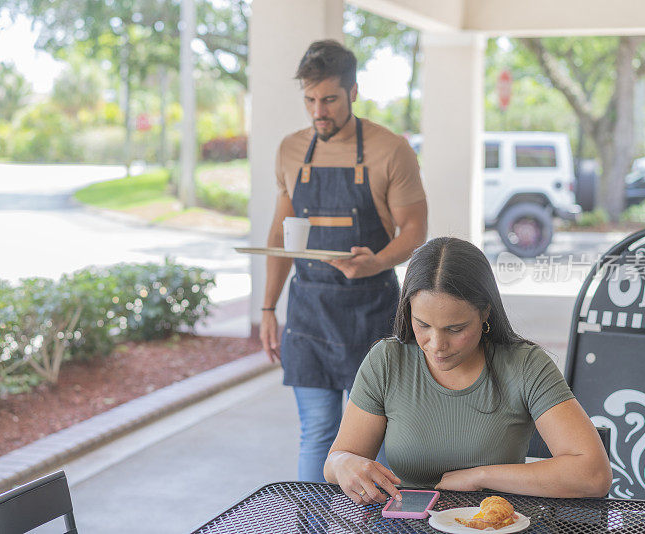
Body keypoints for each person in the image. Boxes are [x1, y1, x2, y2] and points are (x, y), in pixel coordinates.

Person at [323, 237, 612, 503]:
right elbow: (336, 461)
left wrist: (480, 476)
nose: (437, 345)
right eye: (423, 325)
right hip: (408, 522)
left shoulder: (526, 365)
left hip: (496, 523)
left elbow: (593, 475)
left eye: (455, 328)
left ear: (485, 312)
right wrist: (342, 463)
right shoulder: (386, 361)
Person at [259, 39, 428, 483]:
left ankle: (386, 526)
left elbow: (414, 231)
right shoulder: (291, 150)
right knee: (317, 433)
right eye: (311, 100)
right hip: (309, 312)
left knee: (382, 440)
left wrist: (377, 262)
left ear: (354, 92)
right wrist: (266, 308)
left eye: (330, 99)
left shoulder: (391, 150)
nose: (319, 111)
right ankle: (315, 525)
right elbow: (280, 235)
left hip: (372, 310)